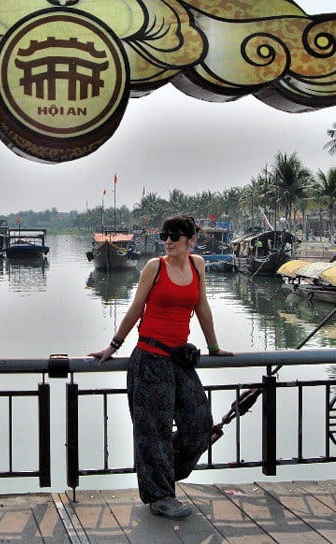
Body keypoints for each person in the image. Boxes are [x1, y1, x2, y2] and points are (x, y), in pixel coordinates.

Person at [90, 215, 233, 520]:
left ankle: (163, 473)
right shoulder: (155, 267)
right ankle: (160, 496)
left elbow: (202, 306)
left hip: (181, 359)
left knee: (199, 425)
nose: (168, 241)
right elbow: (136, 308)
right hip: (151, 359)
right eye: (165, 236)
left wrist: (214, 347)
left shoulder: (197, 265)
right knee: (153, 431)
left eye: (175, 237)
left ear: (191, 240)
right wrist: (113, 346)